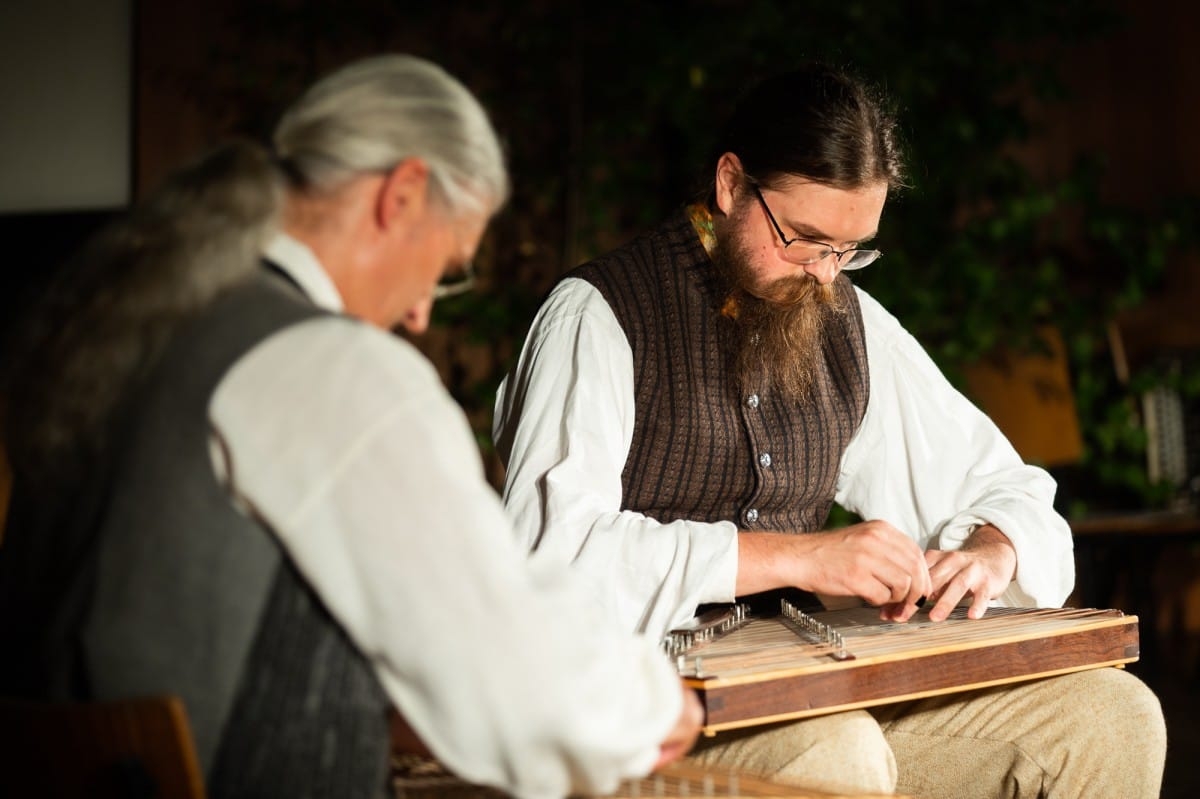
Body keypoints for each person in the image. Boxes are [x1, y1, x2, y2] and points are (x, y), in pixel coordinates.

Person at [0, 54, 702, 798]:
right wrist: (653, 704)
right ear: (400, 195)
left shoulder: (134, 321)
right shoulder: (323, 366)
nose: (423, 312)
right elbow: (502, 664)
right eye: (447, 266)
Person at [493, 62, 1166, 798]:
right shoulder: (597, 316)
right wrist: (801, 558)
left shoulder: (849, 319)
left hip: (810, 688)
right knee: (835, 755)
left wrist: (991, 549)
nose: (825, 274)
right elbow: (547, 559)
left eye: (850, 250)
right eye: (806, 239)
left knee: (1112, 717)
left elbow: (1009, 490)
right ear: (729, 185)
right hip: (637, 708)